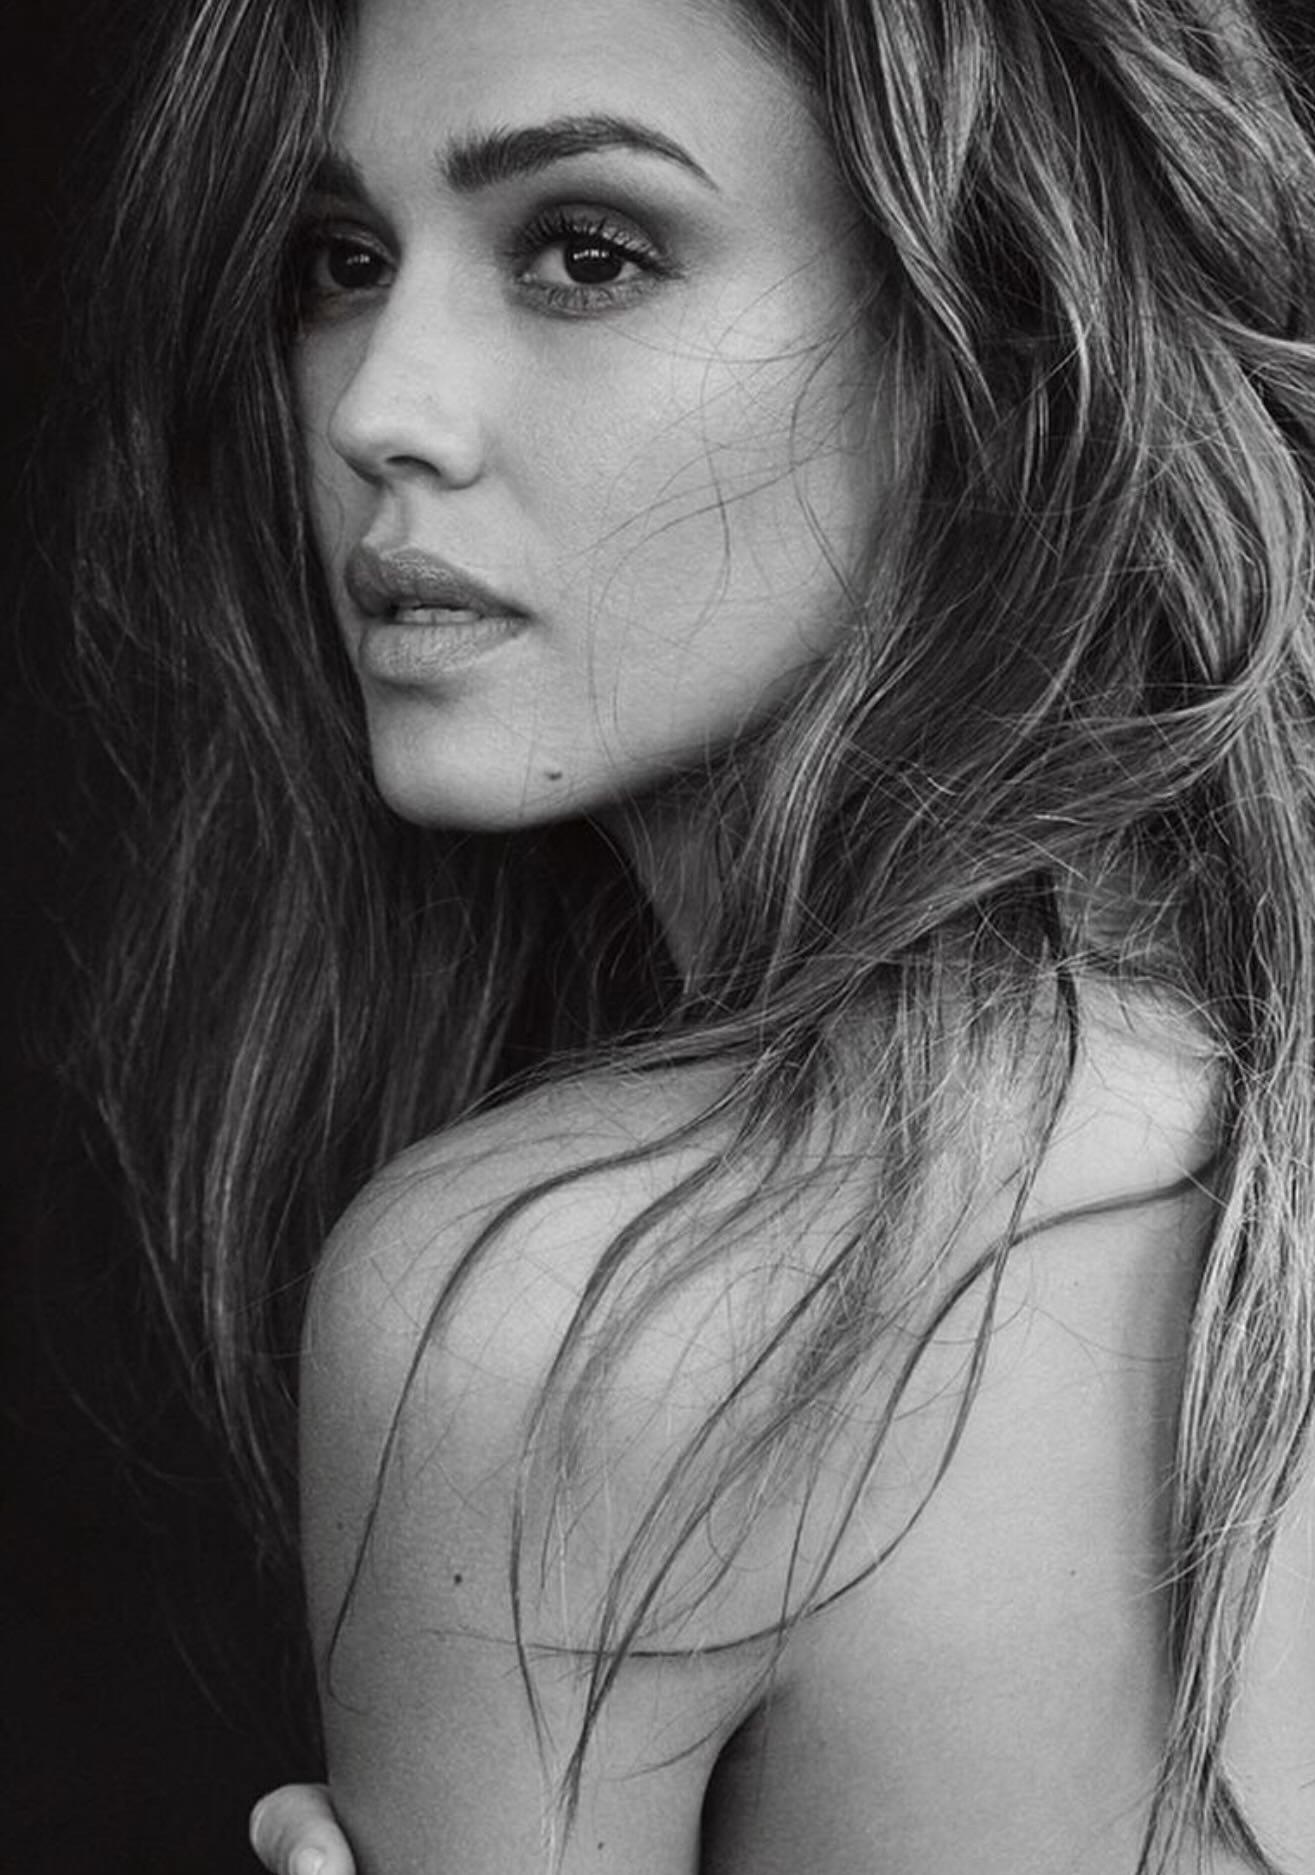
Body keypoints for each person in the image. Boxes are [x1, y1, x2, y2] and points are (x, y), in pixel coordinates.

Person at [67, 0, 1315, 1868]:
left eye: (587, 252)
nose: (376, 409)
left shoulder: (571, 1323)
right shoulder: (1230, 1112)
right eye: (340, 258)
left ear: (987, 336)